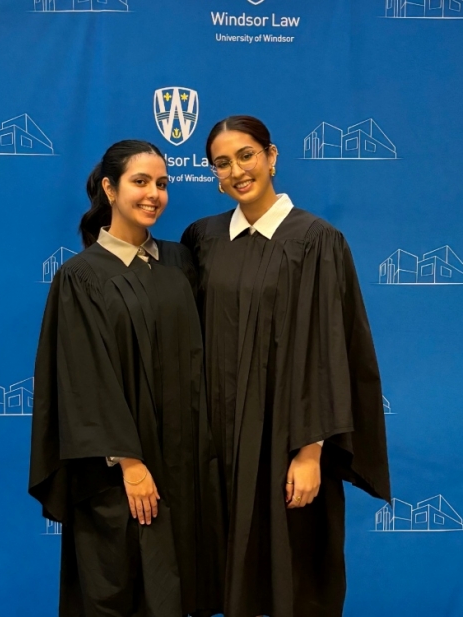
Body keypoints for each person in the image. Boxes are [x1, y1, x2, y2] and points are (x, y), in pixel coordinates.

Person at [180, 117, 391, 617]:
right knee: (227, 569)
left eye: (246, 155)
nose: (237, 171)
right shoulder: (202, 239)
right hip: (218, 444)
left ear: (271, 156)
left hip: (286, 440)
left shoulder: (317, 240)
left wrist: (311, 451)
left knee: (290, 573)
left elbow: (331, 350)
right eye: (222, 163)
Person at [29, 140, 224, 617]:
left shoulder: (180, 262)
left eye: (161, 184)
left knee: (181, 583)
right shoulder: (81, 276)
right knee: (122, 585)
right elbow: (82, 376)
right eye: (140, 182)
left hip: (184, 464)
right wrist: (131, 463)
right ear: (109, 189)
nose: (154, 194)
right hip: (120, 473)